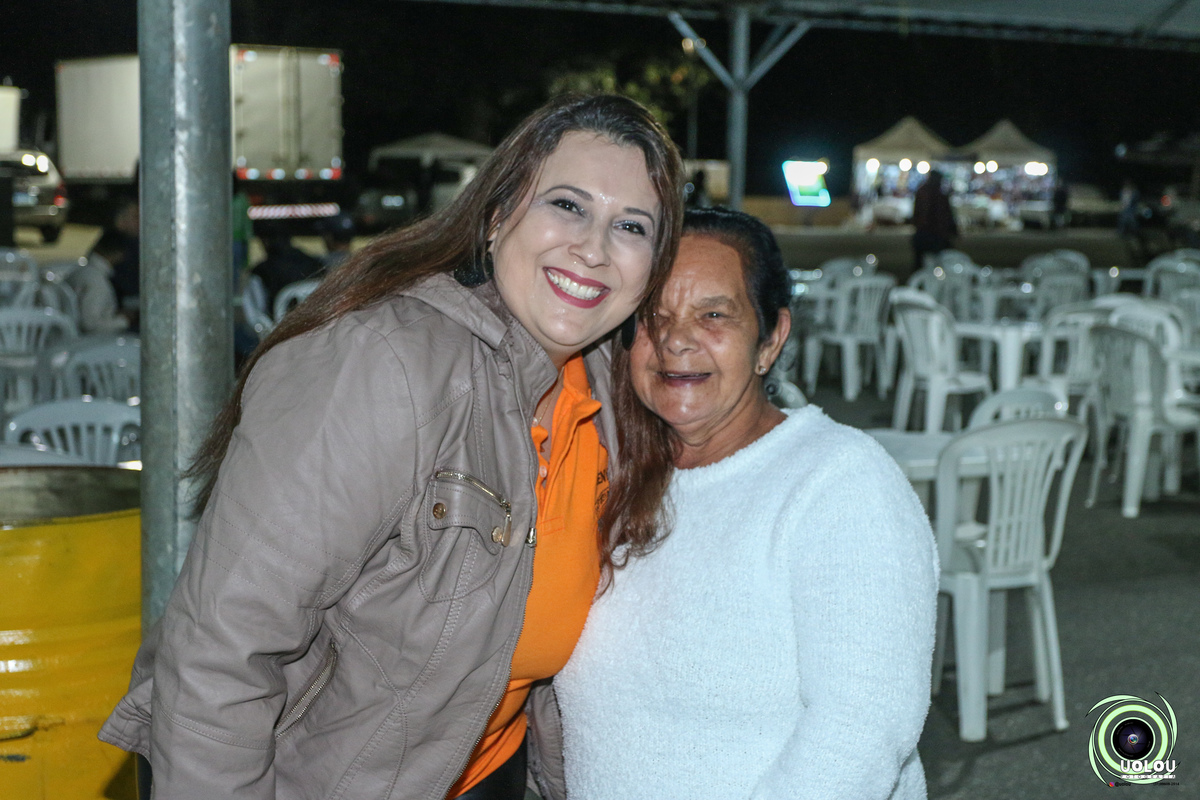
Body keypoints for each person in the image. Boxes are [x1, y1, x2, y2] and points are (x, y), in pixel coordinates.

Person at [99, 94, 684, 800]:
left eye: (630, 226)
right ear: (497, 217)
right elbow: (218, 652)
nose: (593, 248)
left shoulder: (612, 401)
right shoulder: (383, 365)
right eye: (567, 205)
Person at [554, 207, 939, 800]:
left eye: (714, 315)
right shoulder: (616, 474)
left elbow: (862, 728)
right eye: (654, 316)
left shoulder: (840, 482)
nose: (676, 339)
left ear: (770, 339)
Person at [910, 169, 957, 275]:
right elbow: (947, 216)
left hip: (923, 235)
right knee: (941, 266)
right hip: (936, 236)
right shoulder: (939, 195)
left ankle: (920, 282)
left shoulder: (922, 192)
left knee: (920, 267)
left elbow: (916, 216)